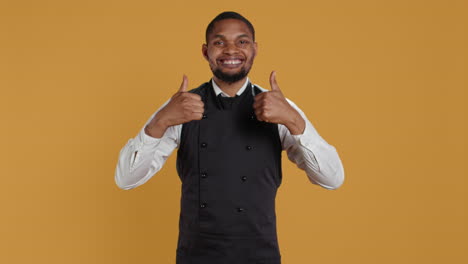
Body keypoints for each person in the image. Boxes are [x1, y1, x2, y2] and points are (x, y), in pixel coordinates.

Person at [115, 11, 344, 264]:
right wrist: (160, 121)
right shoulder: (181, 107)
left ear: (255, 50)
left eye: (242, 42)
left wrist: (294, 121)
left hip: (261, 256)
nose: (231, 50)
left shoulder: (280, 107)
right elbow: (125, 179)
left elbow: (332, 179)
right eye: (219, 42)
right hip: (196, 257)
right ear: (206, 51)